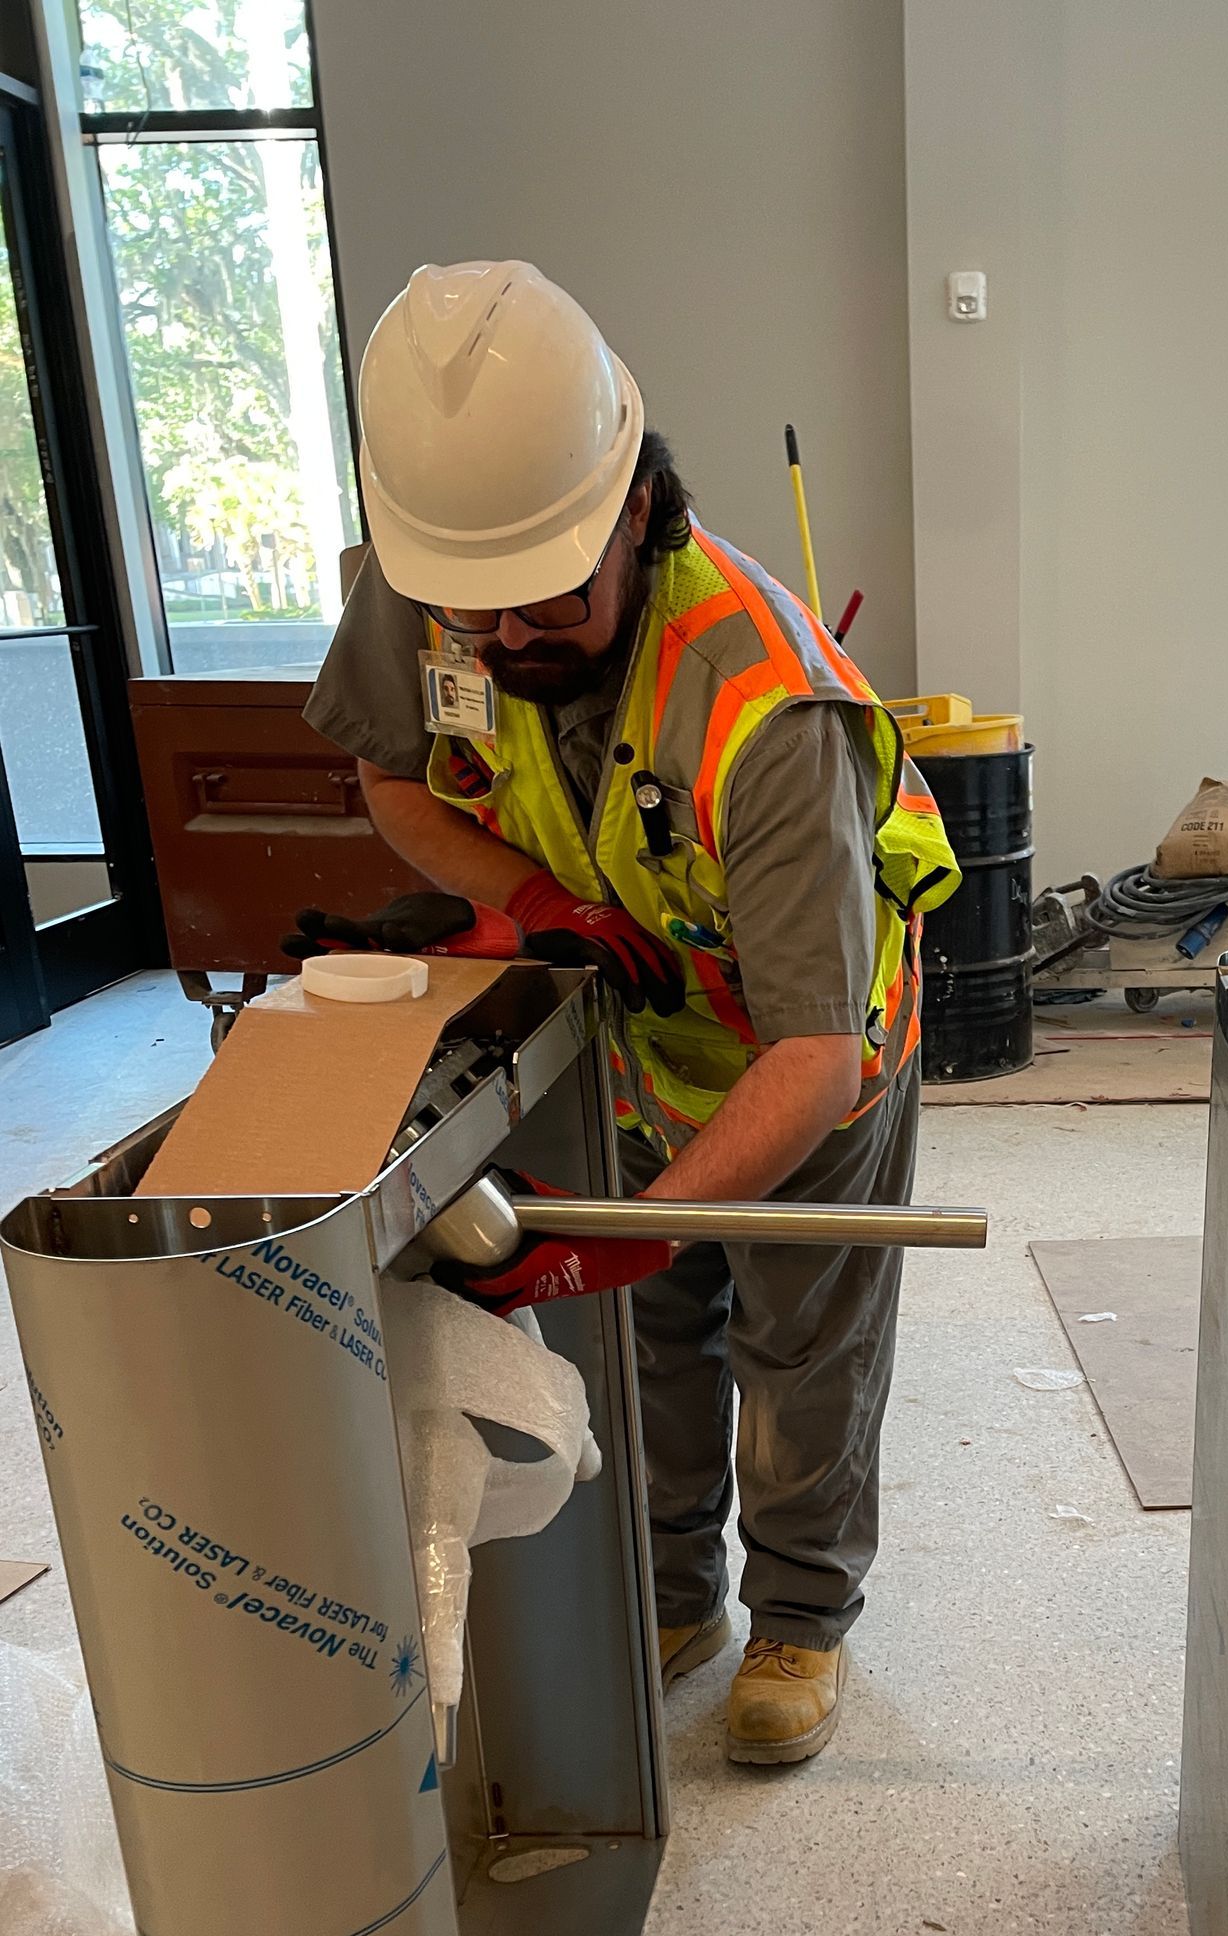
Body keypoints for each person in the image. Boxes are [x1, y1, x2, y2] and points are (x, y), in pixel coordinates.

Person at [298, 261, 957, 1767]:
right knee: (652, 1337)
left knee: (798, 1347)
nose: (511, 640)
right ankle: (673, 1590)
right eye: (478, 614)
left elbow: (810, 1054)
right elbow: (393, 785)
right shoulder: (431, 585)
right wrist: (537, 906)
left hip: (811, 1046)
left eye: (551, 604)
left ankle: (799, 1614)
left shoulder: (762, 707)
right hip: (642, 1032)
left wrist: (650, 1216)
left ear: (638, 514)